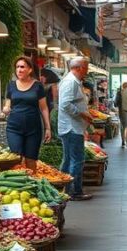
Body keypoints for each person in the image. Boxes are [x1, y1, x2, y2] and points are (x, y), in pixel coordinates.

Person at [1, 56, 52, 172]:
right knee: (16, 157)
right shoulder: (11, 85)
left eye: (22, 67)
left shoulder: (37, 86)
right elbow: (8, 103)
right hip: (14, 127)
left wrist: (48, 128)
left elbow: (44, 108)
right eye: (17, 67)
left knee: (31, 159)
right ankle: (18, 186)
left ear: (29, 70)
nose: (19, 69)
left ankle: (32, 185)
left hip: (33, 128)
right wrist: (5, 109)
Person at [57, 57, 92, 200]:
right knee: (77, 160)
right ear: (79, 68)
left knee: (68, 159)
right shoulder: (70, 82)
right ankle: (74, 191)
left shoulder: (74, 82)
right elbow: (65, 104)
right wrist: (82, 114)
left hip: (72, 127)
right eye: (86, 67)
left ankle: (62, 188)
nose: (87, 70)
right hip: (71, 128)